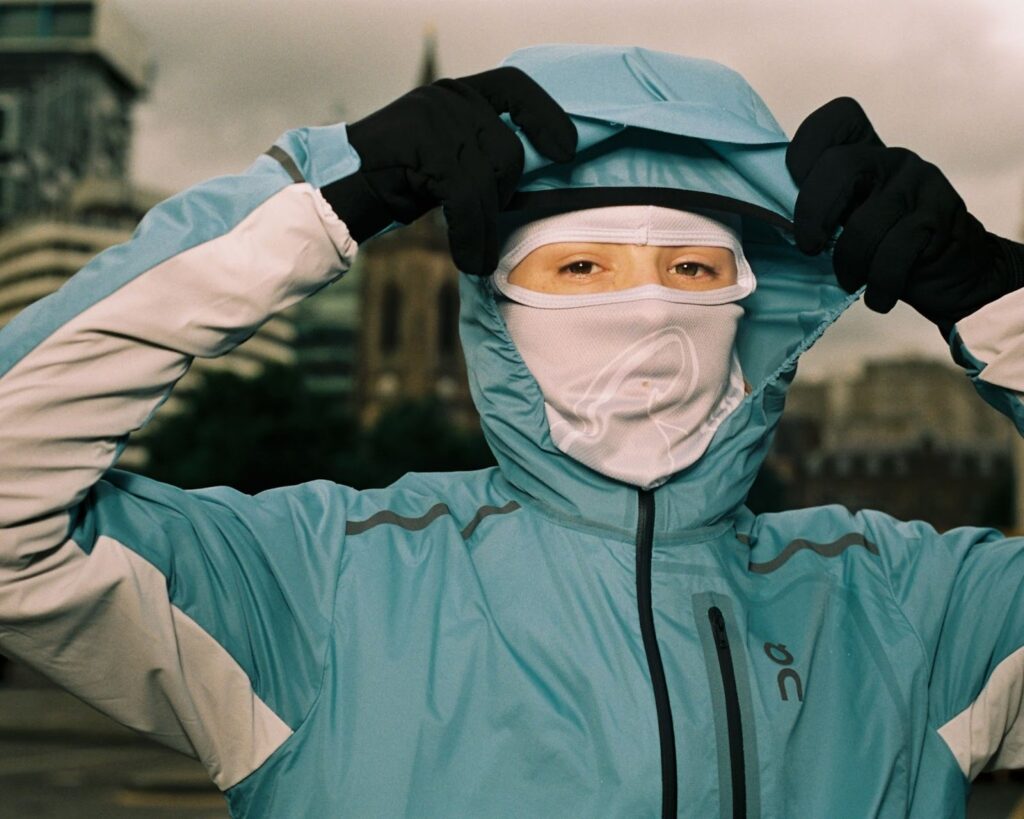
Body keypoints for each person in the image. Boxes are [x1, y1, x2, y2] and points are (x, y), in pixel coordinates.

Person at [0, 43, 1021, 818]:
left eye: (692, 269)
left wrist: (997, 302)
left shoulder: (909, 606)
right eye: (579, 267)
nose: (647, 309)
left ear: (754, 308)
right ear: (498, 307)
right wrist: (316, 200)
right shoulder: (321, 584)